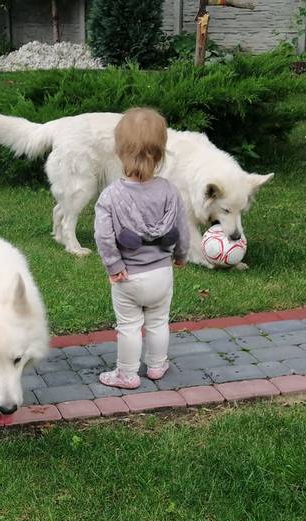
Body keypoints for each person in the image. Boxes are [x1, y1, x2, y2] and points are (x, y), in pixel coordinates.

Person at [94, 107, 189, 389]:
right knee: (159, 322)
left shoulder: (111, 196)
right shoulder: (170, 191)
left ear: (119, 151)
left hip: (128, 277)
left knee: (129, 326)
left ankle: (127, 373)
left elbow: (103, 235)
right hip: (162, 274)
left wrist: (114, 265)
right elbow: (182, 228)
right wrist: (181, 255)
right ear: (160, 153)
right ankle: (157, 365)